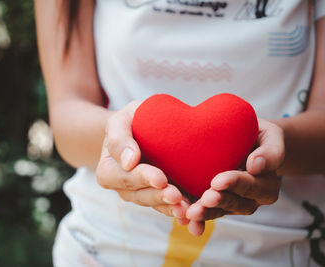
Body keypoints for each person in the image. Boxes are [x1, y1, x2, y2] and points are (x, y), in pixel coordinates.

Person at [34, 0, 325, 266]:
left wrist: (269, 147)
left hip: (282, 251)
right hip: (102, 249)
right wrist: (126, 138)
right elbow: (66, 119)